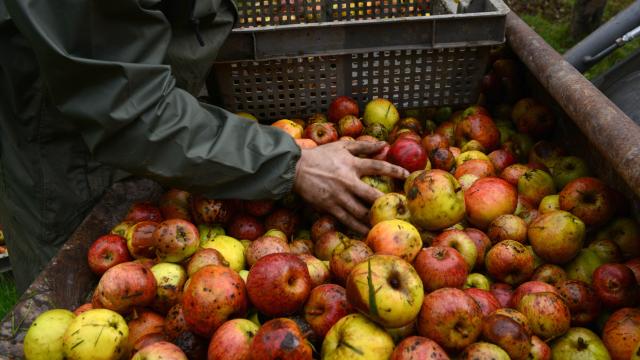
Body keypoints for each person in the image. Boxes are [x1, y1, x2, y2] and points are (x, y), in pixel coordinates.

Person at [0, 0, 408, 293]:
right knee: (80, 295)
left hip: (167, 119)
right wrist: (292, 163)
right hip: (67, 138)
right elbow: (126, 105)